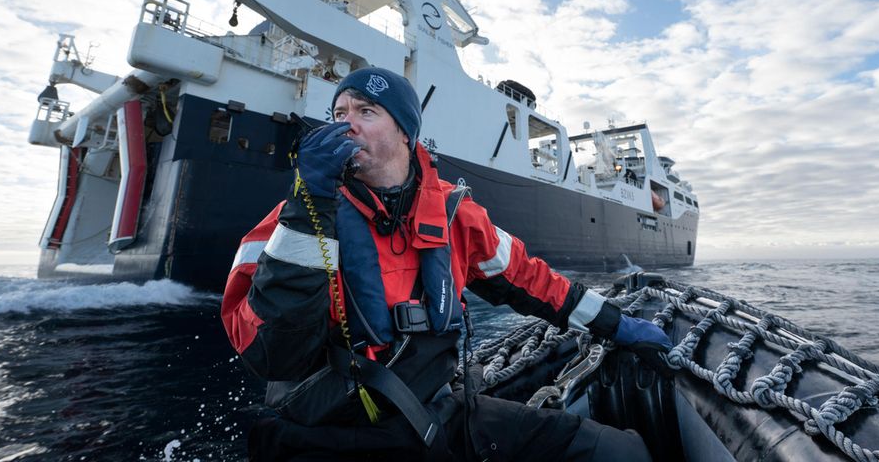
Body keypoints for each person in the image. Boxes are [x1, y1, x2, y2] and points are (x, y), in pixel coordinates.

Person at [221, 67, 672, 461]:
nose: (346, 125)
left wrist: (618, 325)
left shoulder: (457, 217)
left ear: (405, 132)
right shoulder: (291, 221)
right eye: (339, 114)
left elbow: (533, 281)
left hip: (437, 414)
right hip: (324, 433)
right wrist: (309, 207)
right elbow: (267, 353)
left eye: (365, 112)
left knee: (617, 451)